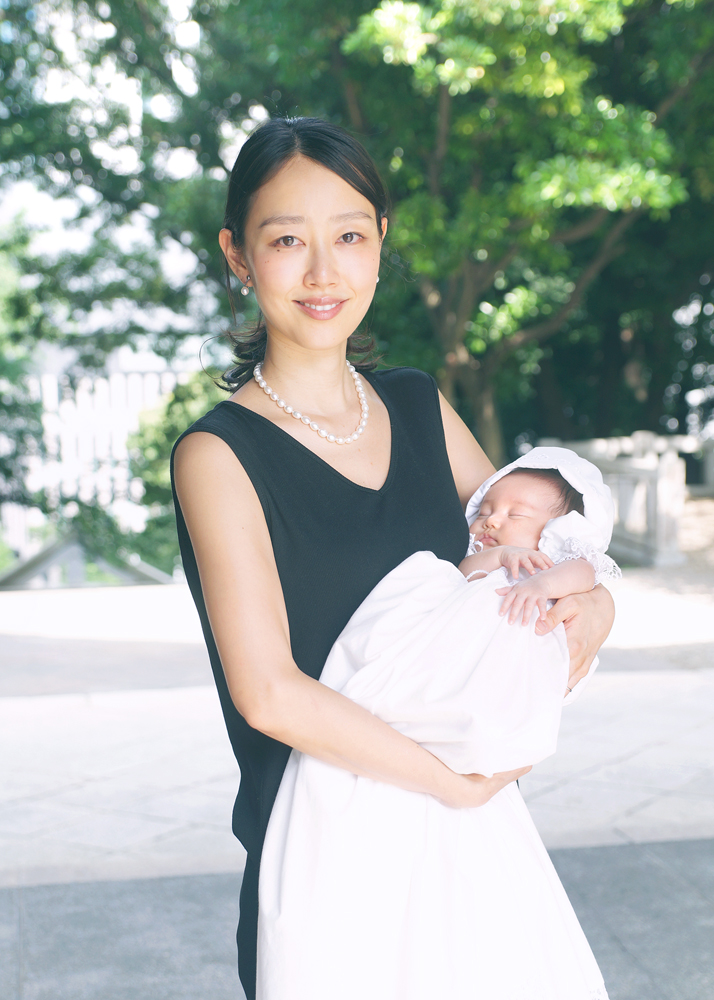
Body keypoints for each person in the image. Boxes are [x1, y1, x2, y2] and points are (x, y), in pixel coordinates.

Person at [170, 116, 616, 1000]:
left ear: (381, 242)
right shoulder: (218, 456)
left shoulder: (417, 406)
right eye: (287, 240)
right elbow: (268, 692)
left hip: (471, 856)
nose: (323, 272)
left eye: (348, 236)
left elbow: (547, 550)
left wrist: (595, 610)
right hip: (331, 863)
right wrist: (454, 783)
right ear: (238, 254)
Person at [257, 447, 620, 1000]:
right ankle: (385, 706)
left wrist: (546, 588)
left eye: (515, 514)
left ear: (561, 529)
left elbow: (587, 572)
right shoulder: (482, 557)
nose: (492, 520)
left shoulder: (559, 560)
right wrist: (493, 563)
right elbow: (456, 576)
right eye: (486, 509)